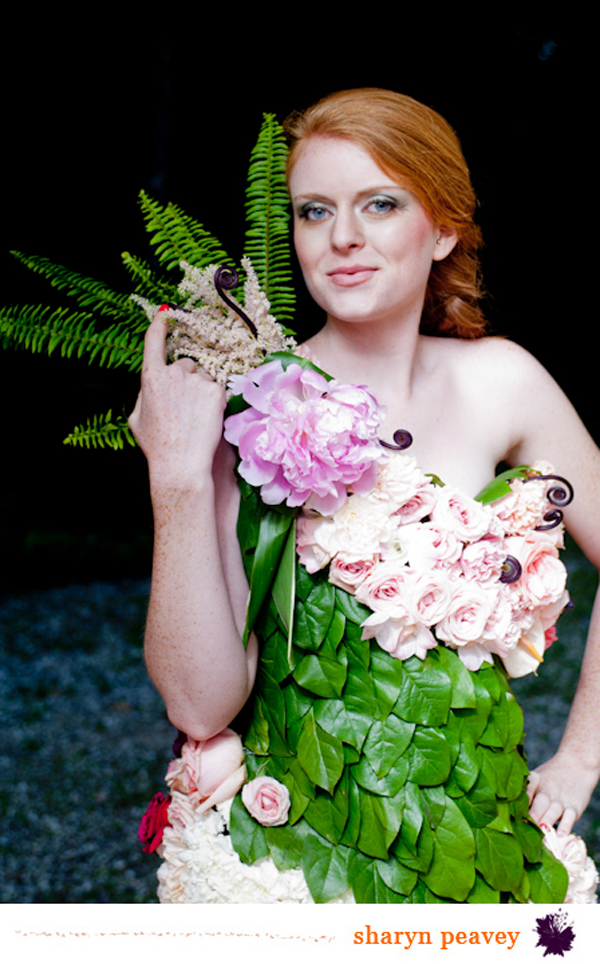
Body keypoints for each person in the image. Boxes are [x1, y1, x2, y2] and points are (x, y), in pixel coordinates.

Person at [130, 89, 600, 902]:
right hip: (290, 860)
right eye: (314, 211)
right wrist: (174, 479)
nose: (342, 237)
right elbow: (200, 703)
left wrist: (581, 758)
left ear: (444, 227)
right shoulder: (249, 405)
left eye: (380, 204)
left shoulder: (505, 382)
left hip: (477, 841)